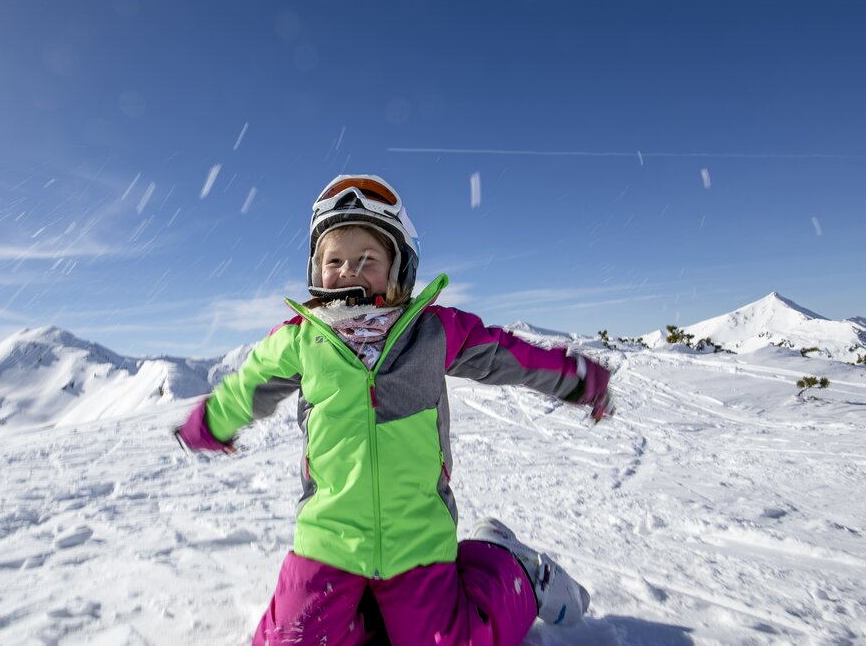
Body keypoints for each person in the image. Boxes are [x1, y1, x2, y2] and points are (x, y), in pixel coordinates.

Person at [176, 174, 613, 646]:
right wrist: (209, 423)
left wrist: (575, 379)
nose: (346, 271)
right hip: (328, 541)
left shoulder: (431, 332)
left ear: (399, 267)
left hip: (416, 542)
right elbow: (247, 387)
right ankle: (364, 615)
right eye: (334, 260)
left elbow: (506, 356)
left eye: (367, 259)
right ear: (315, 268)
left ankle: (512, 569)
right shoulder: (301, 339)